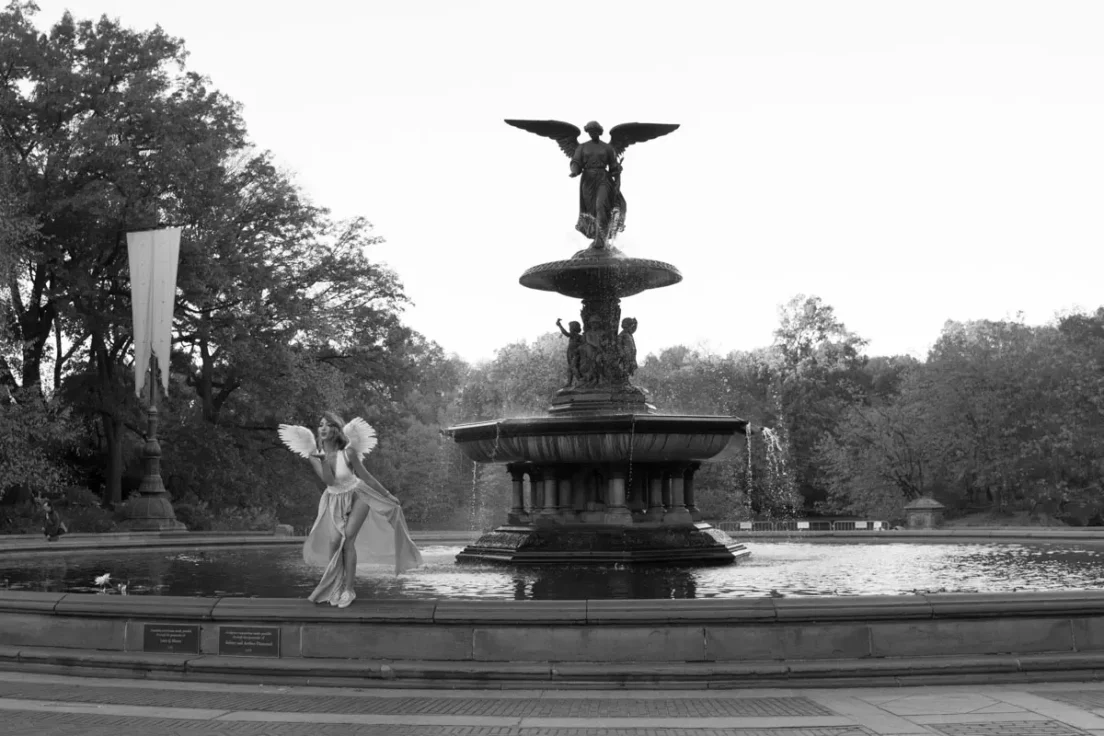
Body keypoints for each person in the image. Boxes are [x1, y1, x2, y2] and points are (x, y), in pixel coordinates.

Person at [300, 413, 423, 608]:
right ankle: (336, 586)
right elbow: (329, 481)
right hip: (334, 499)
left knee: (347, 539)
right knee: (334, 542)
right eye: (320, 425)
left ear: (336, 430)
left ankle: (349, 589)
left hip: (359, 494)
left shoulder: (348, 453)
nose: (322, 428)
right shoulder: (314, 456)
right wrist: (323, 460)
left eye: (328, 425)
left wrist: (387, 494)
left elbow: (366, 477)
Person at [569, 121, 627, 246]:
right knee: (591, 211)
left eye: (594, 131)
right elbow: (576, 161)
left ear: (599, 132)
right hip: (588, 180)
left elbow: (613, 167)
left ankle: (601, 240)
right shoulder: (582, 147)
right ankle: (597, 236)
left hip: (603, 179)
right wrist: (574, 170)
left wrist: (617, 173)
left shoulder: (607, 148)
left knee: (601, 206)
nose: (592, 133)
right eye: (589, 131)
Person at [555, 318, 583, 387]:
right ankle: (569, 382)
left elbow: (565, 333)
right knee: (570, 369)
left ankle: (580, 380)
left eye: (570, 327)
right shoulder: (573, 336)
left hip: (575, 354)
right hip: (570, 353)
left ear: (574, 328)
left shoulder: (575, 335)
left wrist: (559, 325)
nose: (570, 329)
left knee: (573, 367)